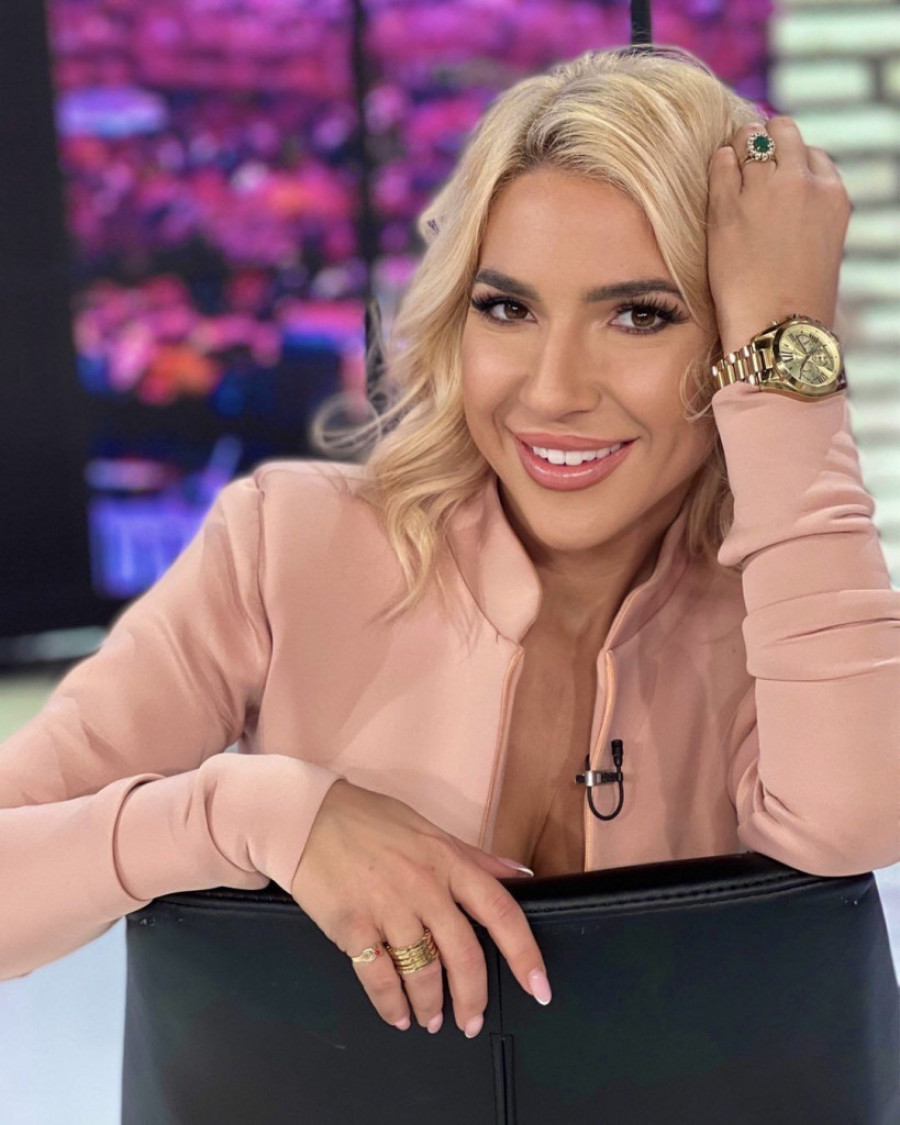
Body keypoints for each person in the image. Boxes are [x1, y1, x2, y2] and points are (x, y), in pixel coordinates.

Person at [1, 46, 897, 1050]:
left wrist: (786, 356)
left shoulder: (781, 609)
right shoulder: (284, 544)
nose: (553, 389)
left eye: (640, 315)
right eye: (507, 307)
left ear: (732, 340)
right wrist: (255, 811)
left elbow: (855, 818)